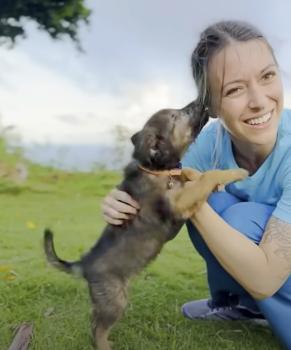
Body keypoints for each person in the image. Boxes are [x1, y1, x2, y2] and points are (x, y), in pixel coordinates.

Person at [101, 20, 291, 349]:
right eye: (234, 89)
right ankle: (238, 305)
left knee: (229, 214)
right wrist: (127, 207)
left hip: (272, 273)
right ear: (213, 106)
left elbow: (265, 278)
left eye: (267, 76)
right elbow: (165, 214)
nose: (259, 101)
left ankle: (258, 305)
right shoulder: (212, 144)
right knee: (211, 202)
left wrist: (194, 198)